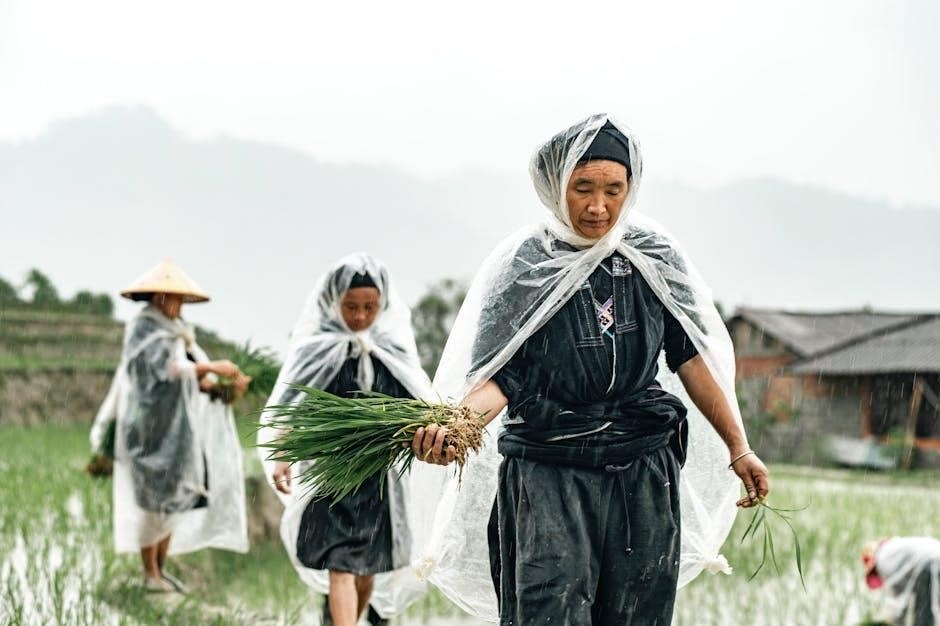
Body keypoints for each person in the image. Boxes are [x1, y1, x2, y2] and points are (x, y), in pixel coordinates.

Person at [411, 114, 770, 624]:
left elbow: (690, 356)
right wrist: (457, 426)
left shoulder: (653, 257)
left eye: (613, 190)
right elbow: (498, 374)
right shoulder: (527, 265)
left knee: (636, 613)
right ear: (555, 186)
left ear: (632, 187)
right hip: (549, 471)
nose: (598, 206)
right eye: (582, 188)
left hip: (642, 468)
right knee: (548, 611)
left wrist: (740, 447)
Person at [258, 253, 438, 626]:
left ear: (382, 305)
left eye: (369, 307)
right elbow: (290, 407)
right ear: (333, 302)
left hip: (377, 478)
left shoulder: (391, 349)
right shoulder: (316, 349)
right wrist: (281, 454)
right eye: (351, 306)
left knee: (367, 567)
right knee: (340, 566)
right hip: (330, 476)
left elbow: (416, 401)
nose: (360, 317)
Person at [90, 259, 248, 593]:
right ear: (161, 297)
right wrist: (211, 365)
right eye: (176, 300)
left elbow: (191, 375)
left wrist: (224, 386)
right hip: (149, 430)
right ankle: (149, 573)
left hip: (178, 433)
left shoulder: (177, 333)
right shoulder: (144, 329)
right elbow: (165, 370)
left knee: (174, 497)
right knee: (152, 501)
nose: (180, 307)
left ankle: (160, 570)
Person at [863, 536, 940, 625]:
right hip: (935, 556)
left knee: (924, 612)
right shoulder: (893, 547)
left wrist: (893, 621)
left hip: (929, 563)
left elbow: (897, 601)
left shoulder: (882, 558)